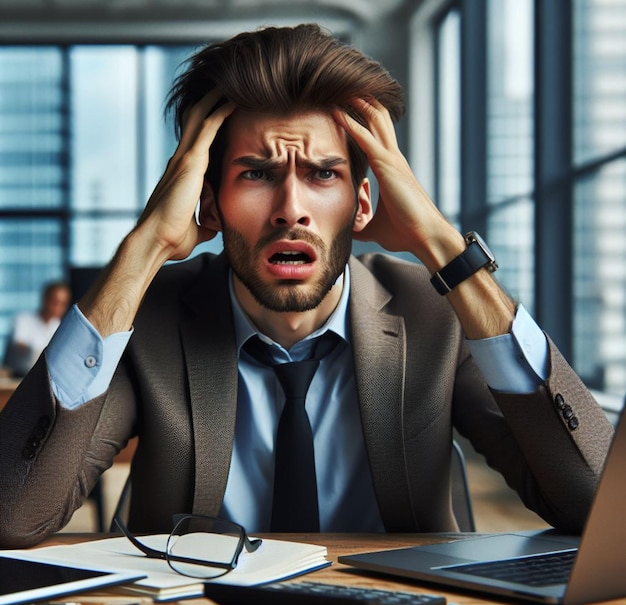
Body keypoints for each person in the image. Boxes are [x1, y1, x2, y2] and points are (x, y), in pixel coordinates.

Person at [0, 24, 614, 549]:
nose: (291, 208)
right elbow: (14, 516)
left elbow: (600, 505)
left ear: (364, 202)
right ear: (207, 204)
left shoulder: (437, 313)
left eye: (323, 173)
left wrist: (445, 248)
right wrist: (143, 249)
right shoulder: (149, 318)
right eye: (257, 174)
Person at [2, 281, 71, 378]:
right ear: (45, 299)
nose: (58, 307)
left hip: (44, 379)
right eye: (55, 302)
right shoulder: (23, 319)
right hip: (18, 376)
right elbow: (19, 344)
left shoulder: (59, 327)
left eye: (63, 304)